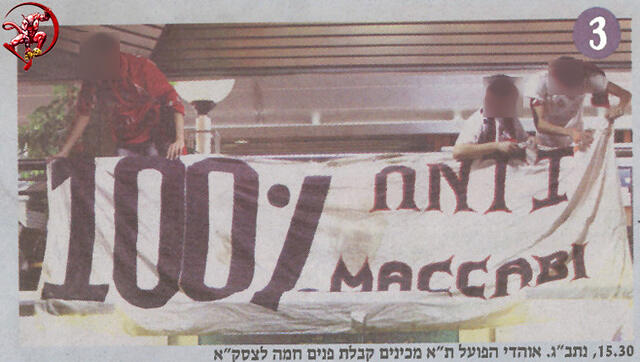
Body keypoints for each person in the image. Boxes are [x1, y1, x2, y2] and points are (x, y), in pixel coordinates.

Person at [50, 32, 186, 160]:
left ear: (115, 57)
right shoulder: (94, 76)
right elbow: (84, 113)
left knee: (156, 173)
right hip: (124, 140)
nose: (100, 71)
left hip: (154, 135)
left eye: (103, 65)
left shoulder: (142, 68)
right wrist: (65, 151)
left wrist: (179, 140)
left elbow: (174, 102)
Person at [527, 56, 631, 149]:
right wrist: (570, 132)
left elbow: (625, 94)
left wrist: (620, 108)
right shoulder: (539, 82)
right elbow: (540, 124)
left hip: (576, 140)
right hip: (546, 142)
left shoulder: (590, 79)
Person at [453, 74, 531, 160]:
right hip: (480, 169)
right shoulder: (478, 120)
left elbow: (523, 139)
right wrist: (496, 146)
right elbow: (458, 152)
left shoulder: (511, 119)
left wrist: (530, 140)